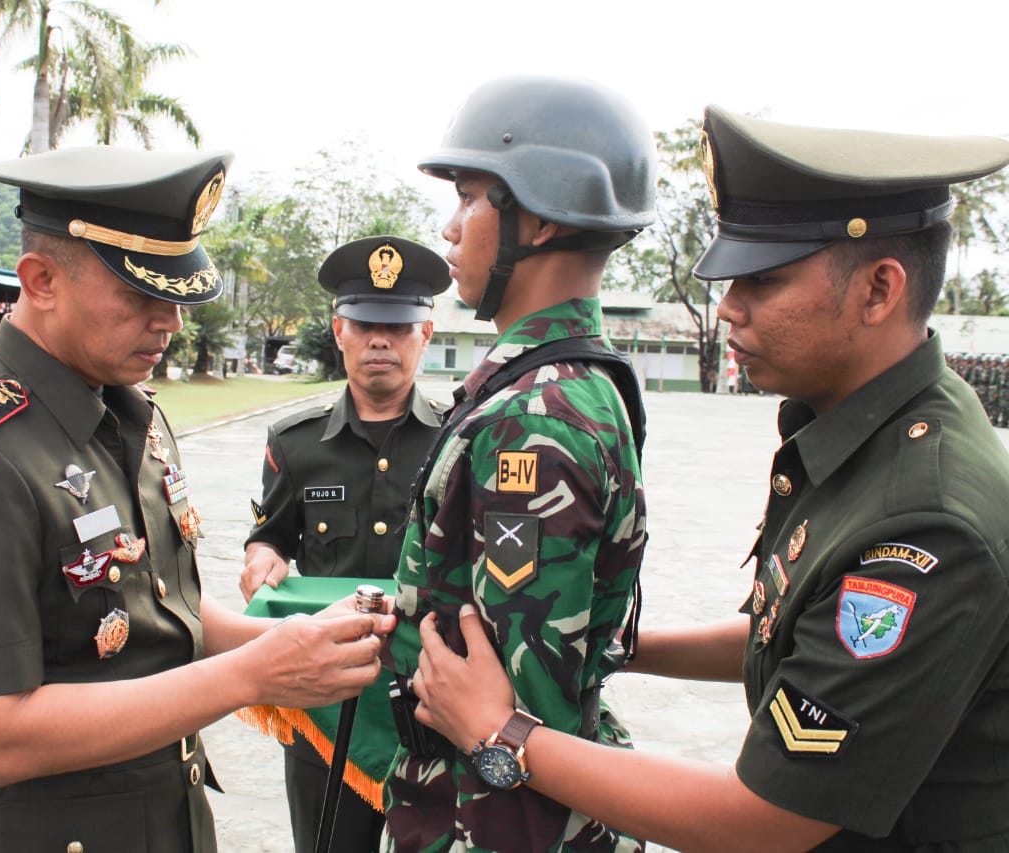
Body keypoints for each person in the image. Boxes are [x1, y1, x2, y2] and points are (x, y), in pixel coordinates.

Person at [409, 106, 1009, 852]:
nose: (727, 308)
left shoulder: (925, 519)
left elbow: (763, 819)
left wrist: (501, 731)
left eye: (762, 280)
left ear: (878, 289)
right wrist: (618, 642)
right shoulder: (871, 429)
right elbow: (788, 629)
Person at [0, 146, 394, 853]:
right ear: (41, 279)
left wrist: (294, 643)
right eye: (141, 295)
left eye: (176, 295)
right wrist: (253, 673)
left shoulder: (129, 416)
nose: (170, 321)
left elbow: (159, 607)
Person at [380, 76, 655, 853]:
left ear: (537, 213)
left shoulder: (530, 419)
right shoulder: (574, 381)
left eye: (468, 197)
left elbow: (521, 728)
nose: (449, 227)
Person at [240, 235, 449, 853]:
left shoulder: (461, 441)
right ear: (339, 331)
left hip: (429, 701)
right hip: (325, 702)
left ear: (426, 334)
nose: (379, 340)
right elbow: (271, 537)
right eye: (364, 325)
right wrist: (263, 558)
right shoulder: (296, 442)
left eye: (397, 325)